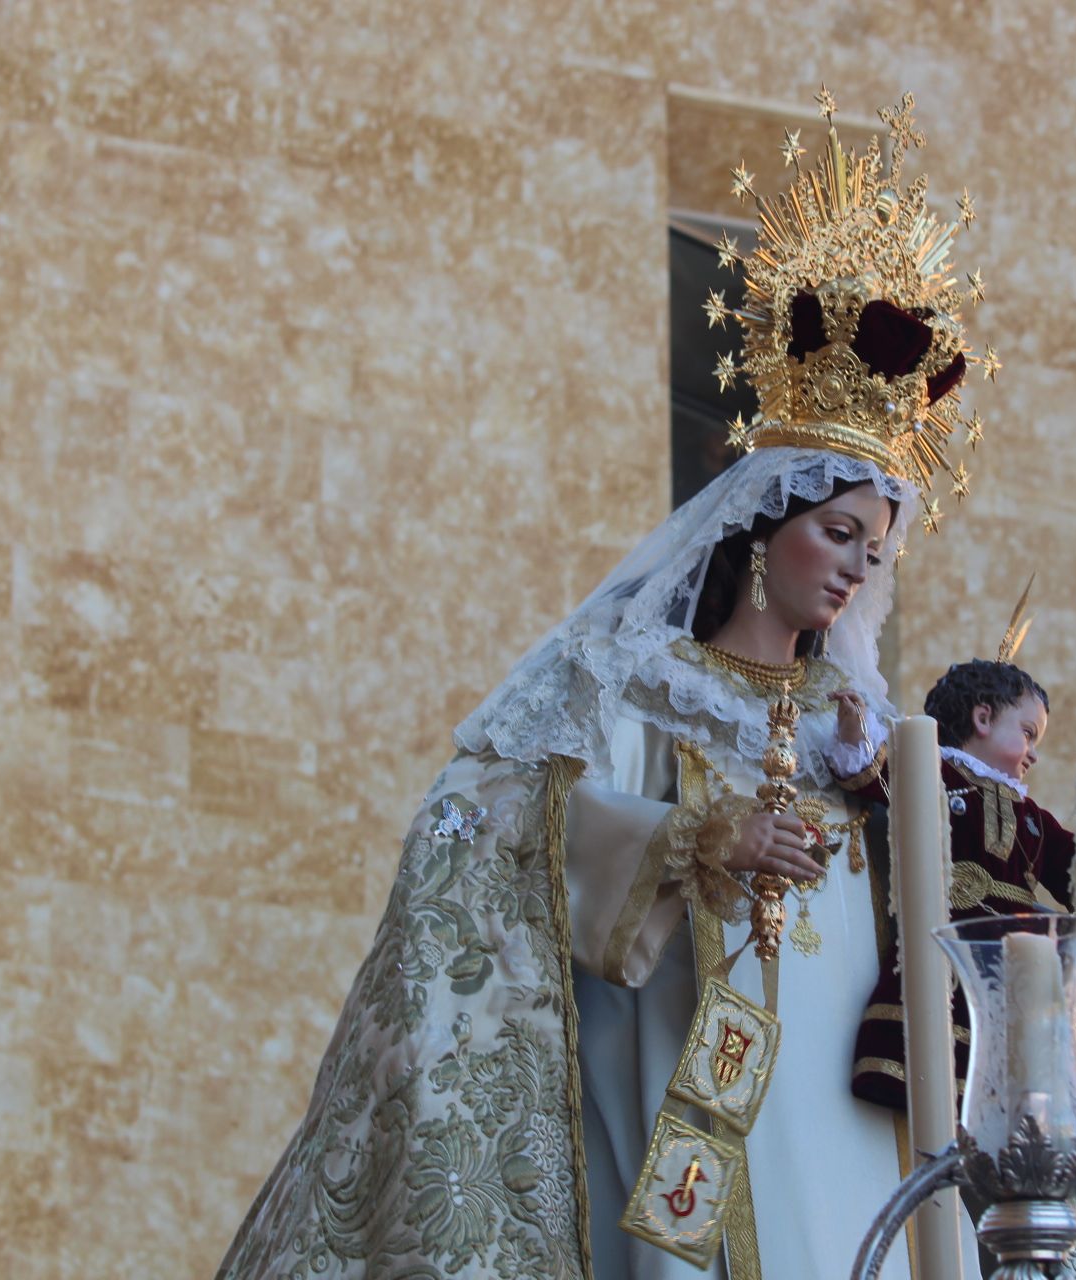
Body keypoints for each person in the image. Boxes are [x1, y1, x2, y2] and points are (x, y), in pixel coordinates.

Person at [215, 92, 996, 1280]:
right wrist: (696, 837)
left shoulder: (865, 740)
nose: (854, 568)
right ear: (761, 525)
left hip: (845, 1122)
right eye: (837, 532)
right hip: (681, 1107)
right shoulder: (639, 689)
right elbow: (496, 825)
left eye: (875, 552)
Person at [844, 659, 1076, 1109]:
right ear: (983, 719)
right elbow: (875, 778)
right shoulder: (933, 775)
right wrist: (856, 736)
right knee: (939, 1034)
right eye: (1028, 733)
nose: (1034, 753)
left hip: (1015, 960)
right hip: (947, 941)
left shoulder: (1035, 819)